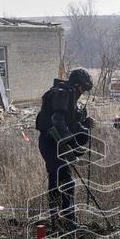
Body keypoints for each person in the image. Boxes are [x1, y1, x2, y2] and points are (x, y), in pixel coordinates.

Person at [36, 68, 95, 230]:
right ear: (76, 85)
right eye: (83, 88)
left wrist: (84, 125)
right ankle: (62, 221)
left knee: (62, 180)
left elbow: (72, 124)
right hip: (50, 143)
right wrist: (72, 144)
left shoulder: (70, 97)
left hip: (59, 143)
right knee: (61, 180)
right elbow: (57, 120)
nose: (83, 92)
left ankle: (63, 220)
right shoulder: (62, 94)